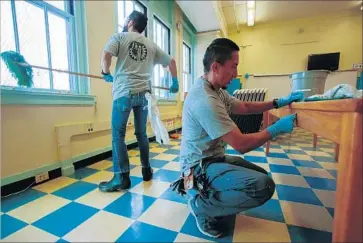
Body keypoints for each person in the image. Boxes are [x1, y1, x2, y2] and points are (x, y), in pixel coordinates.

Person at [173, 38, 304, 238]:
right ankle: (201, 205)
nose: (236, 74)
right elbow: (241, 144)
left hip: (212, 159)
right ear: (216, 66)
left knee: (260, 175)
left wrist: (278, 102)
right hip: (198, 167)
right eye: (233, 67)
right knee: (262, 187)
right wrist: (276, 129)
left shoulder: (215, 90)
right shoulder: (205, 100)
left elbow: (245, 106)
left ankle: (211, 198)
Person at [99, 10, 179, 192]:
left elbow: (105, 56)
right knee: (141, 133)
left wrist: (105, 73)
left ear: (130, 22)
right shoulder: (151, 45)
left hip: (123, 93)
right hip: (144, 94)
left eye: (127, 19)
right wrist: (175, 81)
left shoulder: (119, 37)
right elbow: (172, 62)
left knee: (118, 135)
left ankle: (121, 177)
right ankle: (146, 170)